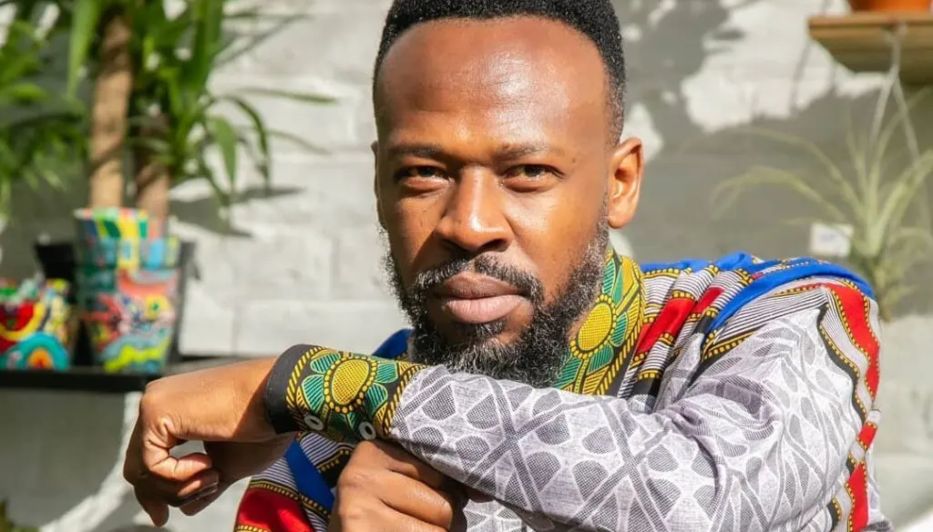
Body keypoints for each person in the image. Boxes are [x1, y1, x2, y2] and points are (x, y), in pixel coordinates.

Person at [122, 1, 891, 531]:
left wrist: (320, 383)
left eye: (526, 172)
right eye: (423, 173)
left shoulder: (778, 322)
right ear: (379, 186)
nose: (469, 224)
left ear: (618, 183)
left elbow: (707, 498)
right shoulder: (325, 470)